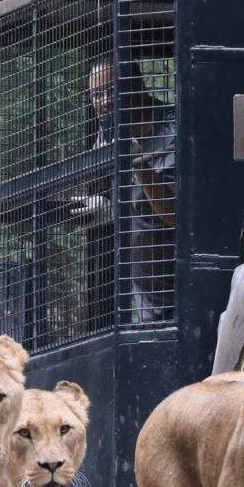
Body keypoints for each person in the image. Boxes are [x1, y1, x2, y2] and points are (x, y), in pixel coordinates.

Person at [73, 56, 176, 322]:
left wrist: (138, 164)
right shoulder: (109, 131)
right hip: (144, 296)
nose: (104, 101)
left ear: (138, 87)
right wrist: (95, 174)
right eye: (96, 94)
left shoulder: (176, 125)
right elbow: (103, 188)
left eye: (111, 91)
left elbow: (176, 214)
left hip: (182, 287)